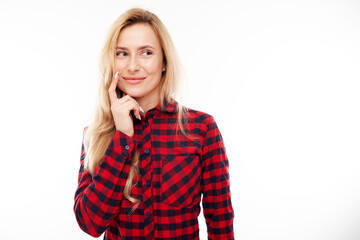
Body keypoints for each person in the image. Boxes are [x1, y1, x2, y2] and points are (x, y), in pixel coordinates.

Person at [73, 8, 234, 240]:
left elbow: (220, 224)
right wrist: (122, 138)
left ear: (164, 62)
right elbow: (90, 224)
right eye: (122, 53)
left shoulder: (201, 128)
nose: (132, 66)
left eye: (146, 53)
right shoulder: (95, 133)